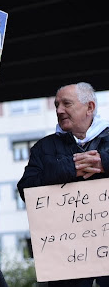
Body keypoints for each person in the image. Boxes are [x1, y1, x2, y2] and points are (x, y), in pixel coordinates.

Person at [17, 82, 109, 287]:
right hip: (68, 254)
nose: (59, 110)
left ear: (90, 107)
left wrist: (104, 163)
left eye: (66, 103)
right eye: (56, 105)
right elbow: (26, 189)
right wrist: (69, 168)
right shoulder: (44, 147)